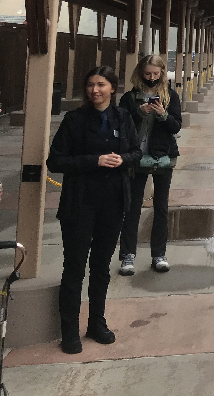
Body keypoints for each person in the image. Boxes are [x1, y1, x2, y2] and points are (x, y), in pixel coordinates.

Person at [46, 66, 141, 354]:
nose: (95, 90)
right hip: (79, 204)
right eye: (90, 85)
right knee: (74, 267)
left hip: (112, 204)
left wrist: (121, 159)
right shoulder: (74, 120)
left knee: (101, 267)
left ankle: (96, 322)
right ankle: (69, 330)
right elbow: (56, 161)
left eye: (101, 84)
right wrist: (94, 161)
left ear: (113, 88)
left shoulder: (123, 118)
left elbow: (137, 153)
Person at [118, 54, 181, 275]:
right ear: (140, 73)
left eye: (156, 74)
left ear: (162, 73)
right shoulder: (129, 98)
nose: (152, 77)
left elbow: (176, 127)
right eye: (147, 74)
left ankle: (159, 254)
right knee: (132, 208)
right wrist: (138, 112)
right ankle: (127, 255)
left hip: (163, 157)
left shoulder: (170, 96)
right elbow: (121, 127)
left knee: (161, 208)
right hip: (135, 158)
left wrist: (163, 114)